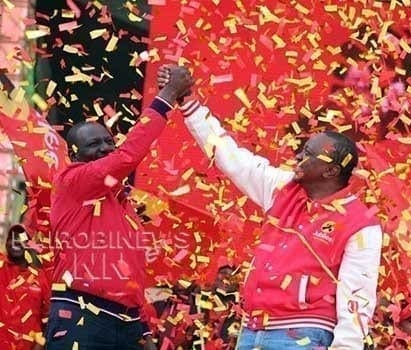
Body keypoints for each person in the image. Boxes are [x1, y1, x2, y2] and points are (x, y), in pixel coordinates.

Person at [158, 65, 383, 349]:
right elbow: (231, 157)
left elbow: (358, 297)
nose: (299, 155)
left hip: (305, 334)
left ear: (331, 172)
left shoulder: (360, 223)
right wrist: (189, 103)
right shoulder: (282, 188)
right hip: (253, 329)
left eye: (309, 154)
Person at [46, 66, 194, 350]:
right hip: (80, 316)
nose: (104, 148)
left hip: (126, 324)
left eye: (108, 142)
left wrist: (145, 329)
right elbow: (128, 156)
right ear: (75, 154)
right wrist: (168, 95)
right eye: (93, 144)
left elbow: (130, 275)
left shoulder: (125, 206)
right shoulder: (72, 180)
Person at [0, 224, 49, 350]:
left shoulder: (40, 276)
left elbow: (47, 316)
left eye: (20, 238)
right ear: (6, 243)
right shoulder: (1, 267)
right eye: (12, 238)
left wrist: (40, 344)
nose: (16, 241)